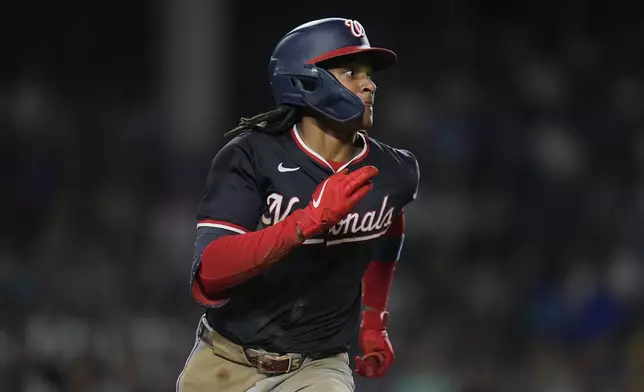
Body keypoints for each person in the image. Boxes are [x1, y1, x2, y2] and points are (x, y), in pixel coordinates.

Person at [176, 17, 420, 392]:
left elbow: (389, 226)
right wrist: (306, 222)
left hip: (318, 368)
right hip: (225, 361)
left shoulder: (395, 170)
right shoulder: (251, 156)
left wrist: (374, 320)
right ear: (305, 78)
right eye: (350, 71)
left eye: (369, 74)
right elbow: (210, 271)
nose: (369, 84)